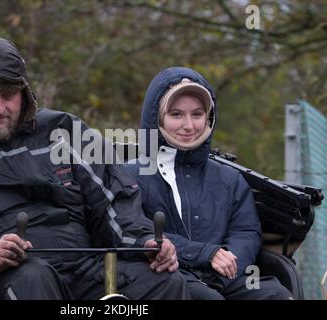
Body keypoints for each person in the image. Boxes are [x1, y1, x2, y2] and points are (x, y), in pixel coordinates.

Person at [0, 36, 188, 300]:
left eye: (8, 95)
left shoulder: (65, 131)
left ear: (25, 94)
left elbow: (114, 201)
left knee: (163, 281)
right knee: (34, 280)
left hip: (88, 268)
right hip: (14, 275)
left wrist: (144, 241)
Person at [124, 67, 293, 300]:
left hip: (224, 277)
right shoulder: (130, 175)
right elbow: (134, 232)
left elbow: (246, 232)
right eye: (176, 114)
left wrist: (227, 265)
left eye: (197, 114)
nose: (189, 125)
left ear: (209, 117)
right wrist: (205, 254)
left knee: (275, 294)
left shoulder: (229, 178)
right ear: (157, 117)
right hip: (165, 276)